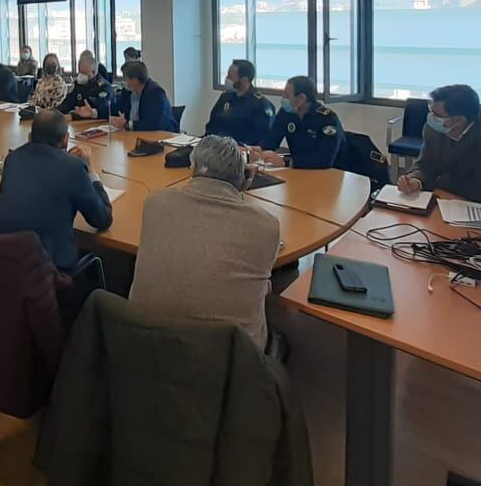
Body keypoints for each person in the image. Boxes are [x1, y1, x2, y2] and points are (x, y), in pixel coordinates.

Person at [129, 135, 280, 349]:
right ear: (244, 176)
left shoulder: (155, 203)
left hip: (149, 346)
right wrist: (241, 190)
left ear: (193, 167)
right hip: (231, 360)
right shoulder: (267, 226)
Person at [0, 110, 112, 272]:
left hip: (2, 262)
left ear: (30, 136)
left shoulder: (13, 158)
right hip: (48, 270)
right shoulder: (73, 167)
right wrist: (90, 170)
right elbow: (102, 219)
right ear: (66, 139)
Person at [398, 83, 481, 204]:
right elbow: (425, 165)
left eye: (436, 115)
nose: (431, 117)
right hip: (446, 199)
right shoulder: (433, 129)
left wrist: (438, 179)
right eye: (431, 111)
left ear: (459, 120)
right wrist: (415, 180)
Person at [252, 75, 344, 170]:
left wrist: (287, 162)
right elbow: (271, 141)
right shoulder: (285, 113)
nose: (283, 98)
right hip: (298, 170)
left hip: (329, 174)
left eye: (287, 95)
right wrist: (258, 150)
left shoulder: (327, 119)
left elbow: (324, 160)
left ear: (301, 98)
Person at [205, 59, 275, 146]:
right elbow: (212, 124)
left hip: (241, 152)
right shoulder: (225, 96)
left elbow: (261, 140)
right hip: (216, 147)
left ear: (244, 80)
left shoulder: (260, 105)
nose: (227, 79)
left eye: (230, 76)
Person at [111, 60, 177, 133]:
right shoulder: (127, 91)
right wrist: (100, 112)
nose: (123, 81)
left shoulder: (155, 93)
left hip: (162, 136)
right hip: (133, 134)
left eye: (125, 78)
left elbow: (153, 124)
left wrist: (126, 124)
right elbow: (116, 109)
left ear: (135, 79)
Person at [57, 50, 114, 120]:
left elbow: (101, 109)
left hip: (96, 123)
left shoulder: (104, 87)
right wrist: (54, 111)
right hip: (79, 122)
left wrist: (74, 116)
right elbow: (69, 102)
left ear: (94, 72)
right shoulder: (79, 84)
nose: (81, 76)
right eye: (80, 72)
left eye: (85, 73)